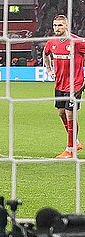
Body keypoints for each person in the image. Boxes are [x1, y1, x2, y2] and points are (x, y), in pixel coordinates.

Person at [44, 15, 85, 159]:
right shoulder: (51, 42)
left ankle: (70, 149)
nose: (57, 28)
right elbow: (46, 54)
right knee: (61, 113)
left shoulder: (77, 42)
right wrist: (49, 69)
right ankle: (76, 142)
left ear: (67, 25)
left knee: (69, 114)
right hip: (60, 84)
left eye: (60, 25)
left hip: (75, 84)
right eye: (55, 25)